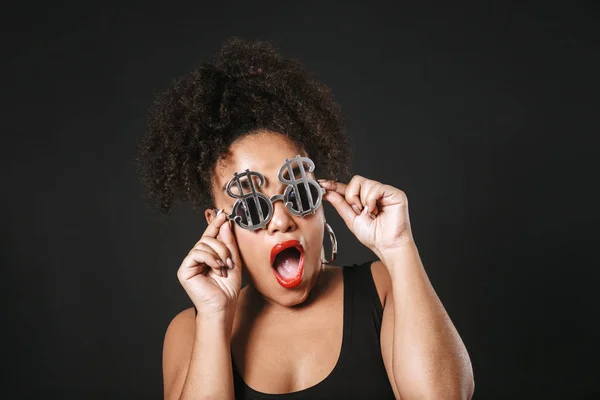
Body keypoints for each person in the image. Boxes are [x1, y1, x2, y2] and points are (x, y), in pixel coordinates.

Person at [136, 37, 474, 400]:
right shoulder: (191, 330)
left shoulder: (384, 287)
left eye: (298, 193)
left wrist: (399, 248)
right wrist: (215, 318)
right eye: (252, 208)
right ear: (219, 225)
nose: (281, 220)